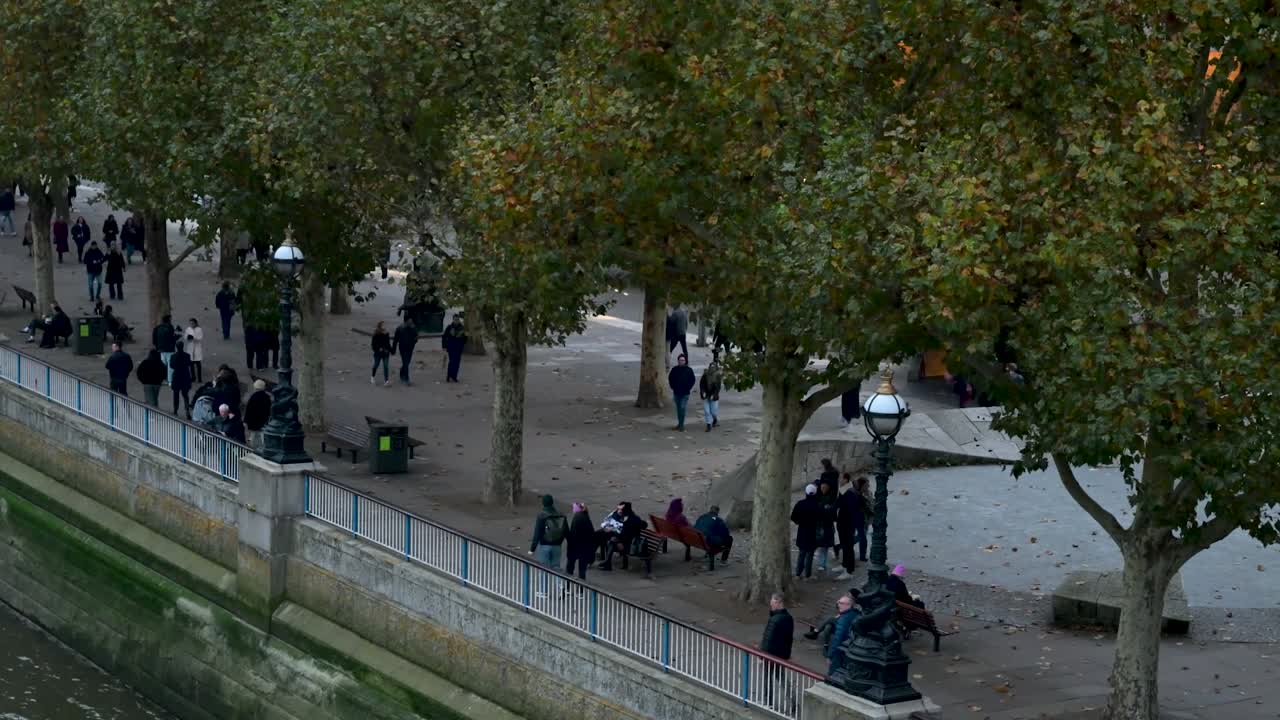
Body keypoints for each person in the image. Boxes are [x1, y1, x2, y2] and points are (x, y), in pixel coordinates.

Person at [529, 494, 567, 586]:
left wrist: (532, 549)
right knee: (556, 567)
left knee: (544, 569)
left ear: (543, 503)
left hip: (544, 545)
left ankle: (543, 592)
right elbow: (566, 531)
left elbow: (537, 533)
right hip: (557, 545)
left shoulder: (541, 515)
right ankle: (560, 585)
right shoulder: (561, 515)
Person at [836, 474, 869, 577]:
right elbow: (838, 503)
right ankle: (844, 565)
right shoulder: (846, 492)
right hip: (843, 522)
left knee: (848, 546)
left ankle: (849, 570)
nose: (840, 481)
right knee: (845, 545)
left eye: (843, 480)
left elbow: (851, 510)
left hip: (847, 523)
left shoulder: (852, 493)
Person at [598, 502, 646, 572]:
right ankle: (607, 563)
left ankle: (607, 563)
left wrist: (618, 541)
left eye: (621, 509)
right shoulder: (626, 518)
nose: (619, 511)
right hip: (624, 540)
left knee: (612, 541)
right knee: (609, 539)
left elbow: (627, 535)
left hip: (631, 544)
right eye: (618, 509)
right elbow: (622, 534)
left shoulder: (632, 519)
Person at [791, 484, 821, 579]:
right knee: (810, 554)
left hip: (802, 531)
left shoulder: (800, 504)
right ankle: (807, 574)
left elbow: (793, 517)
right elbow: (821, 517)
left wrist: (799, 522)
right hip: (813, 532)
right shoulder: (817, 505)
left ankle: (798, 573)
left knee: (802, 553)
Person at [826, 594, 859, 676]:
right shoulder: (856, 614)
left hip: (840, 651)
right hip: (852, 650)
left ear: (849, 605)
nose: (838, 605)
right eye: (839, 602)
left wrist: (830, 655)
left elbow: (838, 638)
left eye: (841, 603)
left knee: (833, 675)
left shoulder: (843, 619)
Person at [565, 502, 596, 581]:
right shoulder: (586, 517)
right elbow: (592, 534)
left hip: (575, 547)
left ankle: (567, 588)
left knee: (569, 569)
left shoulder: (577, 518)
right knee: (582, 571)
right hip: (584, 548)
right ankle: (581, 591)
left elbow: (573, 534)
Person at [815, 480, 839, 577]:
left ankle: (822, 564)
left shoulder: (831, 499)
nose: (823, 489)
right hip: (818, 525)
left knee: (824, 546)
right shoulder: (817, 498)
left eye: (825, 488)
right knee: (817, 544)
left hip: (827, 525)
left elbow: (834, 513)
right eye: (822, 487)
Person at [760, 593, 794, 661]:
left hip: (771, 656)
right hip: (782, 656)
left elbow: (768, 639)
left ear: (779, 603)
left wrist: (762, 655)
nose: (771, 605)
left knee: (770, 671)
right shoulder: (789, 618)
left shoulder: (775, 620)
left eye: (773, 603)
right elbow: (789, 639)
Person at [667, 354, 696, 431]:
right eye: (680, 360)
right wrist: (673, 387)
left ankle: (681, 425)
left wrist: (688, 387)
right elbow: (670, 378)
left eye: (683, 360)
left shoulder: (689, 370)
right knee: (678, 409)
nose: (681, 361)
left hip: (685, 393)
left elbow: (692, 380)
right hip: (676, 392)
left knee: (682, 408)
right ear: (678, 361)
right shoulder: (674, 369)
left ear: (685, 361)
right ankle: (679, 423)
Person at [699, 351, 722, 432]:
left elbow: (718, 388)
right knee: (706, 411)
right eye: (711, 366)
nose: (712, 368)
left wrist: (714, 395)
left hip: (713, 396)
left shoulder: (718, 376)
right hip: (706, 395)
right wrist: (702, 392)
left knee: (713, 411)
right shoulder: (705, 375)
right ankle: (708, 424)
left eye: (713, 366)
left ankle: (715, 419)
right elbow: (701, 384)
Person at [244, 379, 272, 448]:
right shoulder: (267, 397)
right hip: (264, 421)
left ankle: (253, 449)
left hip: (254, 421)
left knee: (253, 437)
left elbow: (249, 410)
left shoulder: (253, 397)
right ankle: (265, 449)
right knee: (263, 437)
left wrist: (246, 421)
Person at [169, 341, 194, 417]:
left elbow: (171, 366)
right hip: (185, 376)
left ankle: (175, 410)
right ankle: (187, 410)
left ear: (176, 347)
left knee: (176, 395)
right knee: (185, 395)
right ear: (183, 346)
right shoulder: (187, 355)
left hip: (177, 376)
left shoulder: (173, 356)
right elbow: (189, 364)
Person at [152, 314, 179, 384]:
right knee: (170, 366)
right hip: (169, 349)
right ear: (169, 319)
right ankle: (170, 381)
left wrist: (157, 346)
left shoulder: (157, 327)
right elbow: (172, 338)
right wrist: (177, 337)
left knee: (163, 364)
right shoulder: (170, 327)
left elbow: (154, 338)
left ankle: (161, 379)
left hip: (160, 349)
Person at [392, 317, 418, 385]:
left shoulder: (413, 328)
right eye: (410, 321)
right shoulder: (400, 328)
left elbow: (416, 337)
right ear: (406, 321)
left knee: (407, 362)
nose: (411, 322)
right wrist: (393, 349)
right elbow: (395, 340)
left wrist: (414, 342)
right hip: (402, 348)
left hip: (410, 348)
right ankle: (407, 379)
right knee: (405, 362)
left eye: (411, 321)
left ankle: (401, 372)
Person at [441, 314, 467, 382]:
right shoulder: (449, 327)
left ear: (459, 320)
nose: (456, 321)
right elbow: (444, 337)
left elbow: (465, 338)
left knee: (457, 363)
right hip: (451, 347)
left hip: (458, 347)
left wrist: (463, 344)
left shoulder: (462, 328)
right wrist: (444, 346)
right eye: (455, 319)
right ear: (453, 320)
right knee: (452, 361)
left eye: (457, 320)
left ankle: (454, 376)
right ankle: (449, 375)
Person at [370, 321, 392, 386]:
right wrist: (378, 349)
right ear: (380, 326)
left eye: (385, 325)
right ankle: (372, 377)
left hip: (385, 353)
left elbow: (388, 344)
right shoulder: (376, 334)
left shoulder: (387, 334)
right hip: (378, 353)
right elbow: (373, 345)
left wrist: (391, 350)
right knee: (376, 365)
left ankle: (386, 381)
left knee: (386, 366)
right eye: (383, 325)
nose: (385, 326)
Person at [184, 318, 204, 383]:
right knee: (191, 365)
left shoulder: (199, 329)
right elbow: (185, 337)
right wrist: (188, 337)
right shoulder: (188, 329)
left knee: (198, 365)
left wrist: (194, 338)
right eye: (190, 323)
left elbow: (200, 338)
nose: (191, 324)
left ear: (195, 323)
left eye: (192, 323)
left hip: (197, 348)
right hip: (190, 348)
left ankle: (200, 378)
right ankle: (193, 377)